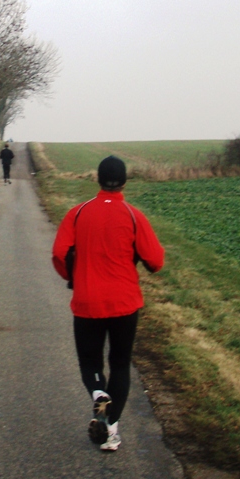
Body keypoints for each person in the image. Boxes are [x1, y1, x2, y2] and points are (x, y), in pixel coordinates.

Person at [51, 155, 165, 451]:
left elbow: (60, 254)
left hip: (87, 302)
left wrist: (73, 276)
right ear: (124, 181)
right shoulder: (133, 216)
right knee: (120, 364)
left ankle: (99, 394)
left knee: (90, 363)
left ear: (97, 179)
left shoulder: (77, 214)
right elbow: (155, 261)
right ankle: (110, 431)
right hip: (124, 304)